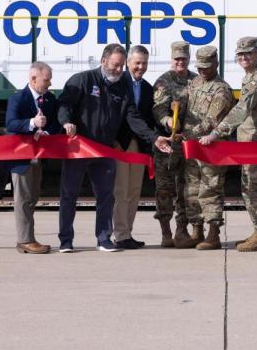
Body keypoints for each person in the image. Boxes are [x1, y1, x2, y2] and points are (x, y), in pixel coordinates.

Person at [57, 43, 172, 253]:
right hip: (79, 149)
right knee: (69, 195)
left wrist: (154, 138)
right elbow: (64, 104)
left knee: (106, 197)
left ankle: (104, 239)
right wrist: (65, 122)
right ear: (103, 61)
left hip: (105, 151)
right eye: (115, 65)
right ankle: (66, 241)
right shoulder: (83, 80)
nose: (119, 70)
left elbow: (133, 118)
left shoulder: (121, 89)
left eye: (121, 67)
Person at [200, 37, 257, 252]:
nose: (243, 57)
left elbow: (241, 110)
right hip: (252, 145)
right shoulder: (249, 78)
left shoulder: (256, 81)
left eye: (248, 53)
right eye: (240, 54)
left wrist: (216, 133)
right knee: (250, 188)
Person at [4, 61, 60, 254]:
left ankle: (27, 238)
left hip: (38, 156)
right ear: (33, 78)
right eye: (47, 80)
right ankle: (25, 240)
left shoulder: (50, 99)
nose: (50, 84)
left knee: (33, 197)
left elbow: (56, 124)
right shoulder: (18, 98)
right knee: (23, 198)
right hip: (21, 157)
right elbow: (10, 124)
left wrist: (45, 133)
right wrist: (31, 123)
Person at [182, 46, 234, 250]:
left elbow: (211, 121)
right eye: (200, 67)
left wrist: (185, 135)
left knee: (210, 189)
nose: (203, 71)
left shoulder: (222, 89)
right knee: (192, 188)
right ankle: (197, 230)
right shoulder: (195, 82)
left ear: (216, 65)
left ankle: (213, 234)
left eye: (207, 67)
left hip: (212, 148)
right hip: (194, 146)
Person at [151, 41, 201, 248]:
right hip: (167, 144)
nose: (180, 62)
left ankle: (182, 230)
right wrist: (167, 121)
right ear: (171, 59)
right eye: (176, 59)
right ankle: (166, 232)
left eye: (184, 58)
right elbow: (157, 109)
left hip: (188, 143)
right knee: (164, 189)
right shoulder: (163, 82)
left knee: (186, 189)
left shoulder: (196, 81)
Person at [111, 45, 155, 250]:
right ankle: (119, 234)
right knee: (121, 189)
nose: (141, 67)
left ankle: (127, 232)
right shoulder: (118, 83)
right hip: (121, 142)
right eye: (137, 63)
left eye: (144, 63)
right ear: (128, 62)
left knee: (135, 190)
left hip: (139, 145)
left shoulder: (147, 88)